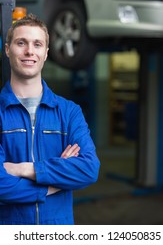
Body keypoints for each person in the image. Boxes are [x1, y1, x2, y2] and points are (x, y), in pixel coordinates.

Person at [0, 13, 100, 225]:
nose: (29, 51)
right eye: (21, 43)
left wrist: (23, 169)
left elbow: (89, 169)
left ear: (45, 53)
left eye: (37, 44)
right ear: (8, 50)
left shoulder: (69, 112)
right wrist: (51, 185)